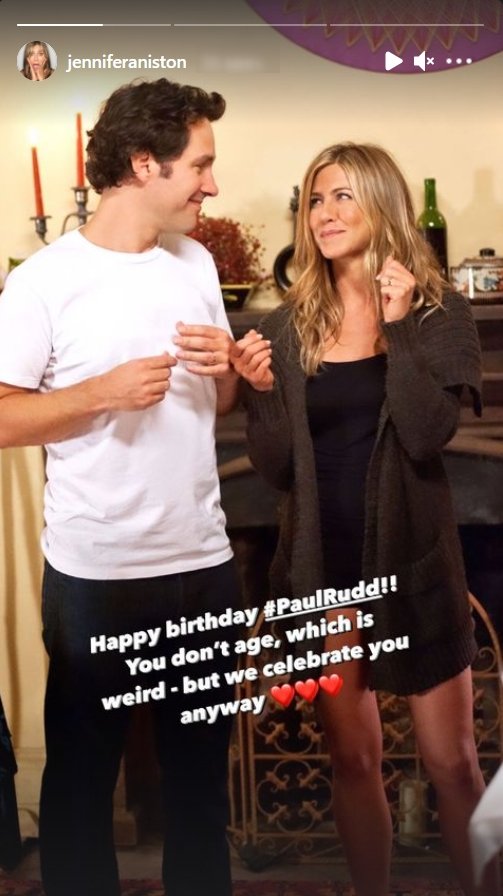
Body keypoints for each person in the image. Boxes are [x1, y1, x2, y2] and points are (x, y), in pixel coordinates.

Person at [234, 143, 500, 896]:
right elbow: (277, 470)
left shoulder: (439, 312)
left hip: (413, 567)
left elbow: (424, 434)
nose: (325, 214)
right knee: (351, 760)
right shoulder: (287, 330)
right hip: (324, 572)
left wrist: (400, 324)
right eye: (315, 200)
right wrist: (257, 395)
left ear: (383, 205)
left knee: (451, 764)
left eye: (344, 196)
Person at [0, 78, 245, 896]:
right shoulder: (43, 282)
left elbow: (218, 405)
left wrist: (230, 373)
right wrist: (100, 392)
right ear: (145, 163)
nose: (211, 184)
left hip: (203, 564)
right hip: (96, 579)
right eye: (199, 165)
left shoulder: (197, 261)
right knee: (77, 790)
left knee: (201, 790)